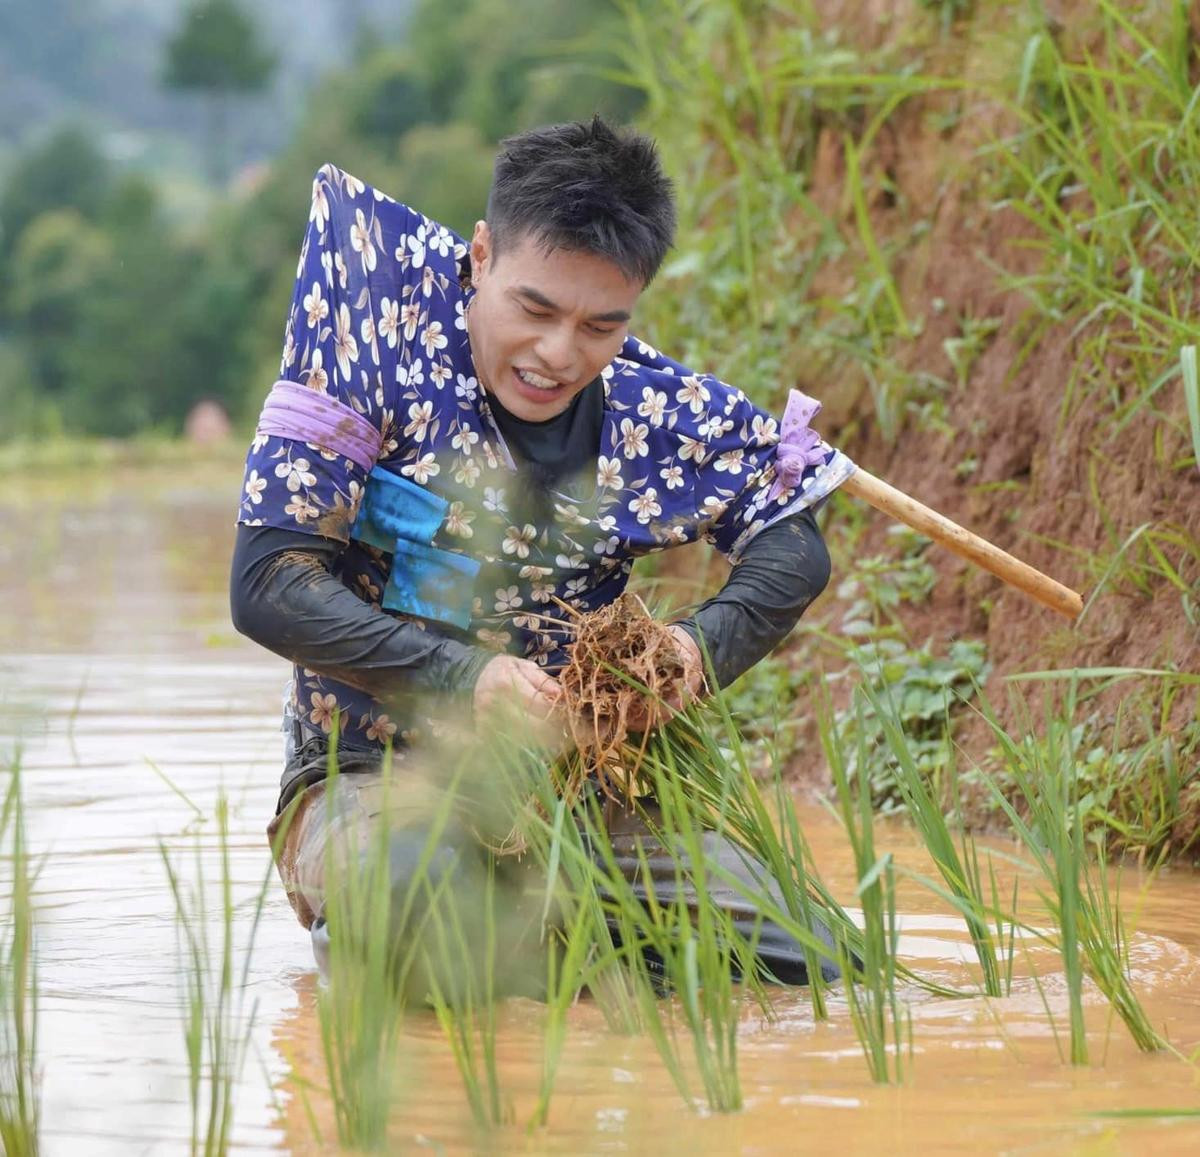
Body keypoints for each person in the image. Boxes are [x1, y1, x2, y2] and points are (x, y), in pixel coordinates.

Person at [230, 116, 854, 987]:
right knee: (424, 903)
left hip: (574, 790)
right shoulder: (371, 348)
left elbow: (792, 544)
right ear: (480, 255)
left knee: (820, 961)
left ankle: (578, 950)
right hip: (368, 771)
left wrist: (688, 652)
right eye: (535, 309)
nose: (559, 355)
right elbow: (267, 583)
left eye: (601, 326)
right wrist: (465, 678)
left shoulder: (650, 411)